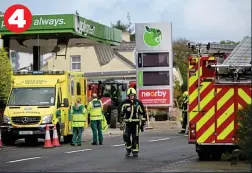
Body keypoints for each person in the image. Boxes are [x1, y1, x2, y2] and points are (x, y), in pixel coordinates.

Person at [119, 87, 146, 157]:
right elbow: (121, 113)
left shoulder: (138, 103)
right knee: (126, 136)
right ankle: (128, 149)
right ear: (128, 96)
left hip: (135, 123)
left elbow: (143, 113)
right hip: (127, 123)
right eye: (130, 95)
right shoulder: (124, 103)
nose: (132, 96)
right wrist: (121, 122)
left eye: (133, 95)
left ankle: (135, 151)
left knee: (135, 137)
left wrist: (143, 123)